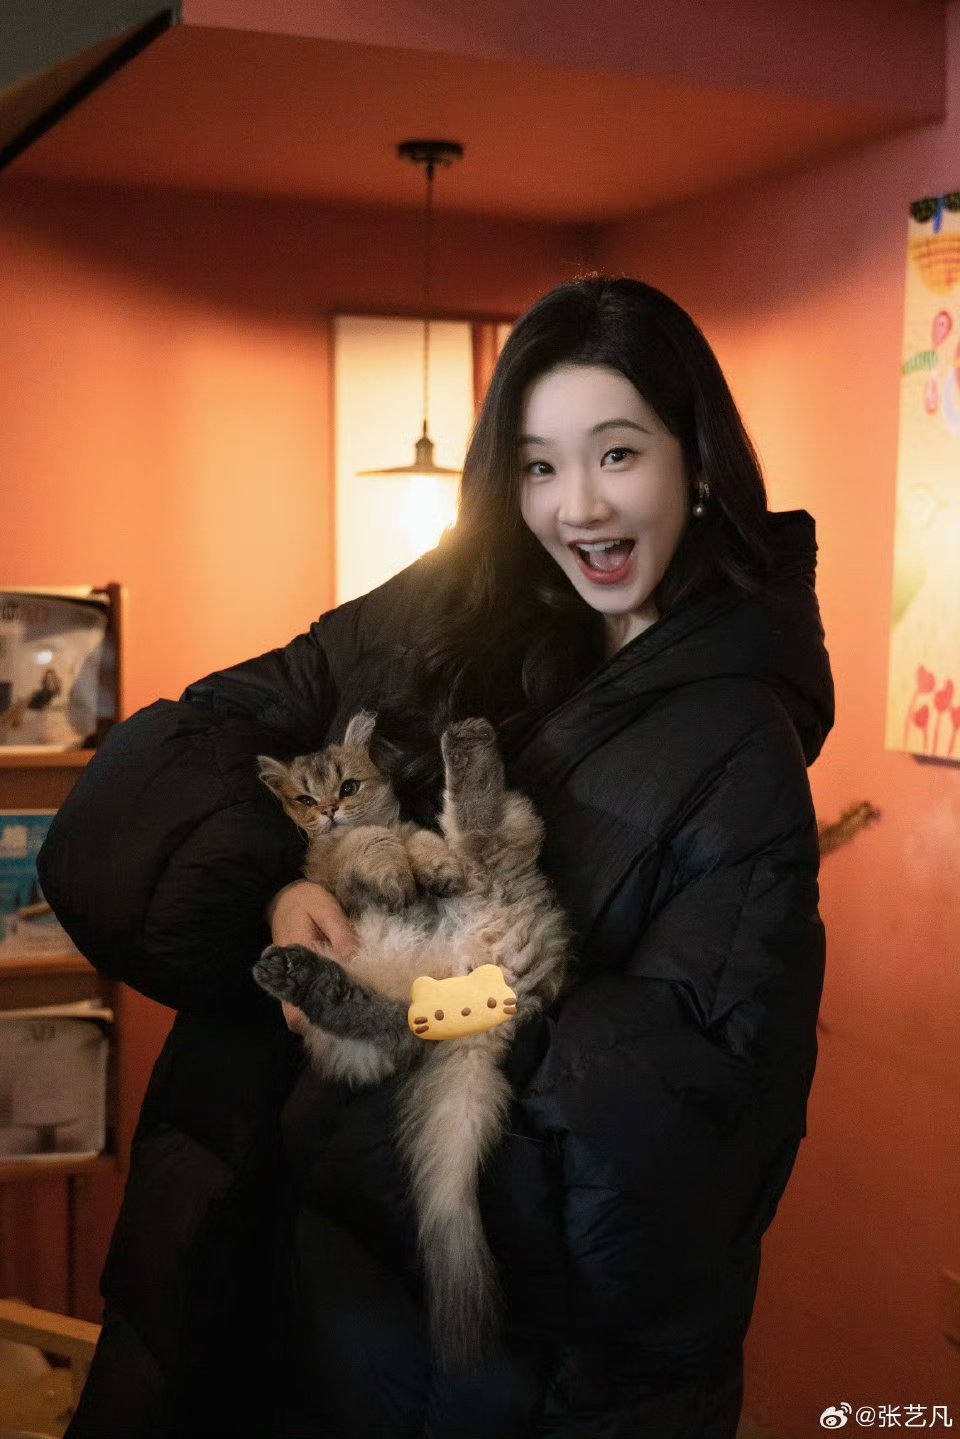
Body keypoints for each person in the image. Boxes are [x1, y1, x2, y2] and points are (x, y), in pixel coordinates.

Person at [38, 275, 834, 1439]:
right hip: (239, 1302)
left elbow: (662, 1180)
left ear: (697, 461)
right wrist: (282, 886)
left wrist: (398, 1018)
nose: (577, 506)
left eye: (618, 453)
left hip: (489, 1391)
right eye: (539, 465)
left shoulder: (736, 749)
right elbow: (125, 812)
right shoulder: (451, 610)